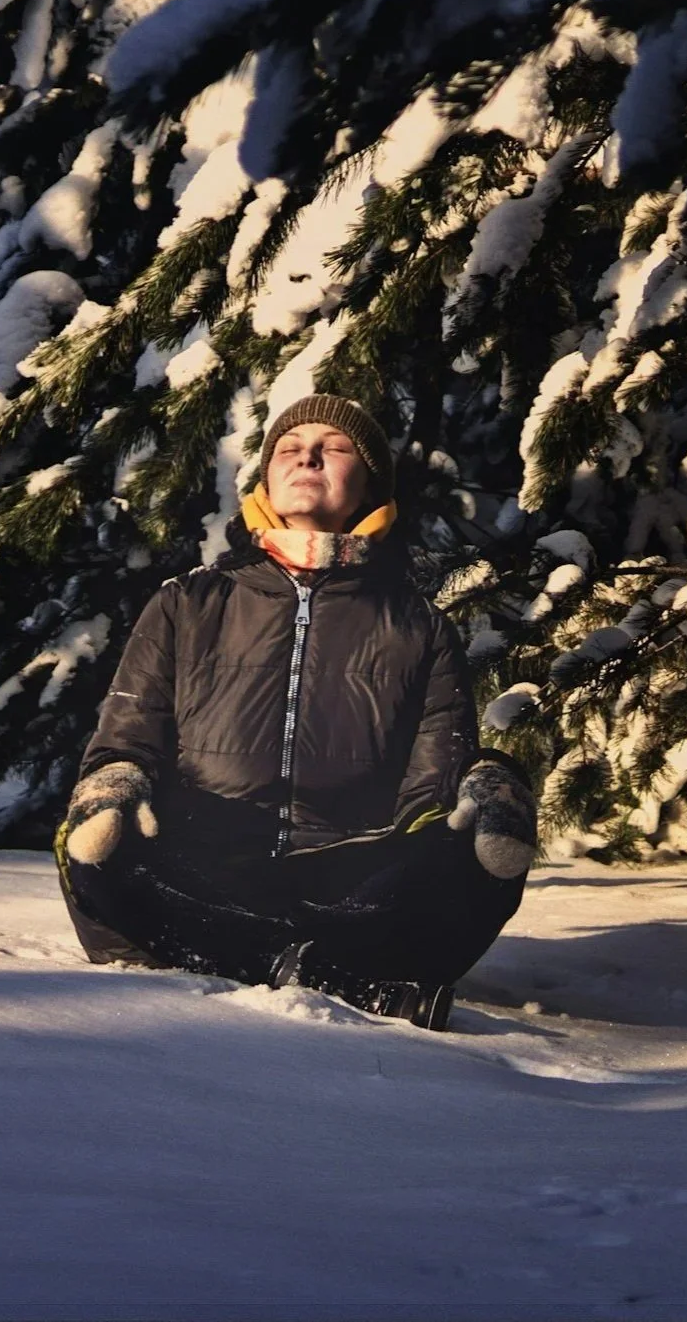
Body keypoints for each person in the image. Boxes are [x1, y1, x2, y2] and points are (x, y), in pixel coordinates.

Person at [56, 394, 537, 1030]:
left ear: (370, 484)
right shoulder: (187, 603)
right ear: (265, 478)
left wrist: (487, 786)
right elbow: (125, 743)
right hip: (201, 876)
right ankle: (324, 974)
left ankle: (257, 959)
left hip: (350, 885)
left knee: (484, 832)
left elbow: (431, 795)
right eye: (289, 448)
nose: (307, 457)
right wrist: (115, 782)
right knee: (94, 837)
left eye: (333, 448)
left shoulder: (419, 625)